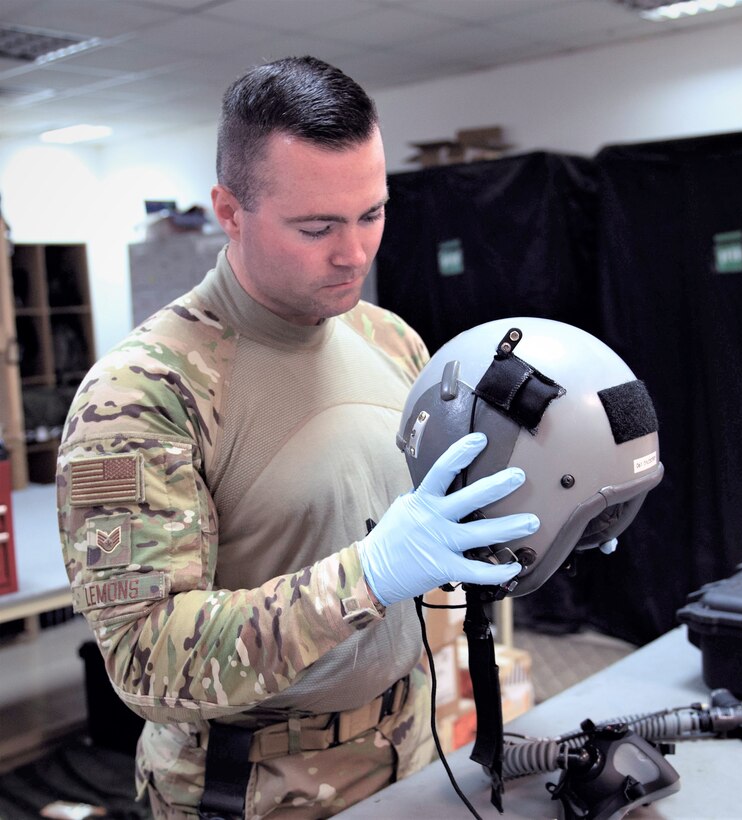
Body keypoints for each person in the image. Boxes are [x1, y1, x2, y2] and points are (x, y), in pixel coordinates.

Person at [56, 56, 537, 819]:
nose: (353, 253)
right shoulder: (144, 392)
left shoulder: (389, 339)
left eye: (372, 214)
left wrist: (553, 513)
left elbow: (432, 516)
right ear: (230, 209)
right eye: (315, 227)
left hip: (409, 744)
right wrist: (368, 576)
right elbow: (146, 660)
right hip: (249, 786)